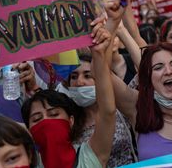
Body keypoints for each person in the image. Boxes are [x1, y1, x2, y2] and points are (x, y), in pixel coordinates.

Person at [21, 18, 116, 168]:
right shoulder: (25, 163)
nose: (46, 122)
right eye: (37, 118)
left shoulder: (88, 157)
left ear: (71, 120)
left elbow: (108, 111)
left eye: (53, 114)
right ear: (28, 130)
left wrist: (98, 55)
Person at [68, 53, 137, 167]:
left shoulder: (120, 108)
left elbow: (145, 69)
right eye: (74, 77)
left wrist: (120, 34)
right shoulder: (68, 123)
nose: (80, 82)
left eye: (87, 76)